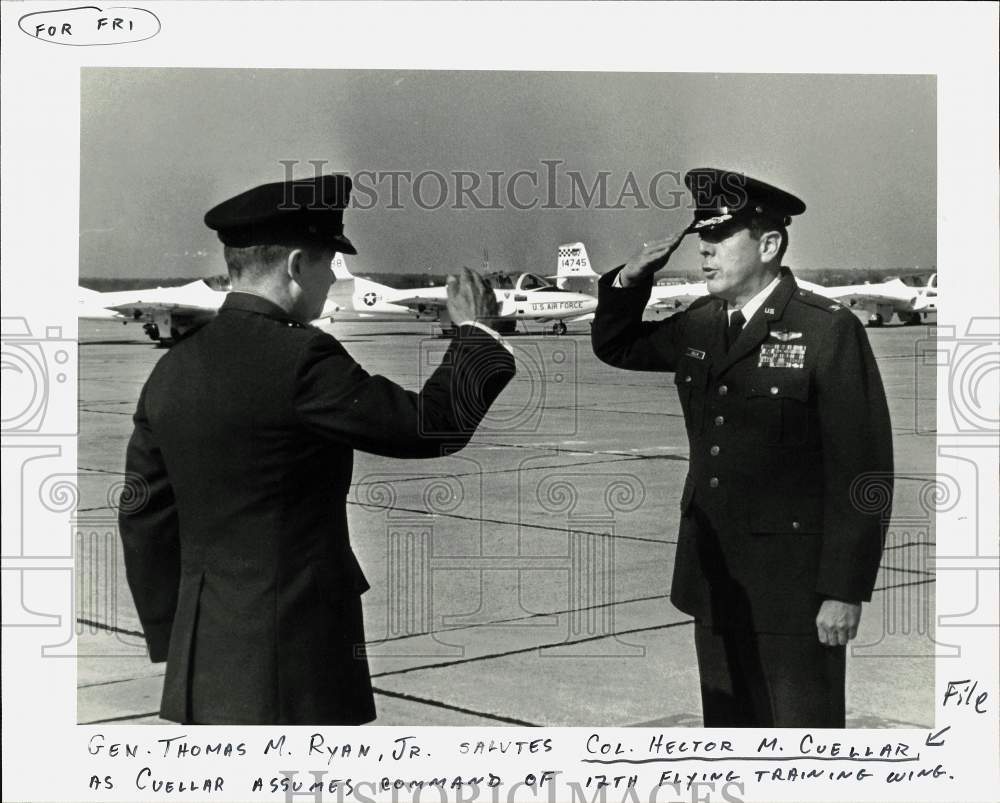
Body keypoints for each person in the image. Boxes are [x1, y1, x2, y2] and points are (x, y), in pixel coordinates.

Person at [118, 174, 516, 725]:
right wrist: (476, 332)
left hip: (202, 659)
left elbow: (143, 516)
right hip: (294, 654)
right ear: (296, 263)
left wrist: (176, 633)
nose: (331, 280)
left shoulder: (172, 368)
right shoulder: (302, 357)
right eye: (328, 264)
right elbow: (430, 426)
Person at [591, 167, 893, 727]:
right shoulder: (701, 324)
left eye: (720, 238)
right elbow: (617, 346)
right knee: (728, 742)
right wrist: (630, 278)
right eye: (701, 239)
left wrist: (844, 591)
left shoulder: (827, 331)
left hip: (795, 594)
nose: (704, 251)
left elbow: (864, 470)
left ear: (770, 244)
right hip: (713, 583)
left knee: (802, 754)